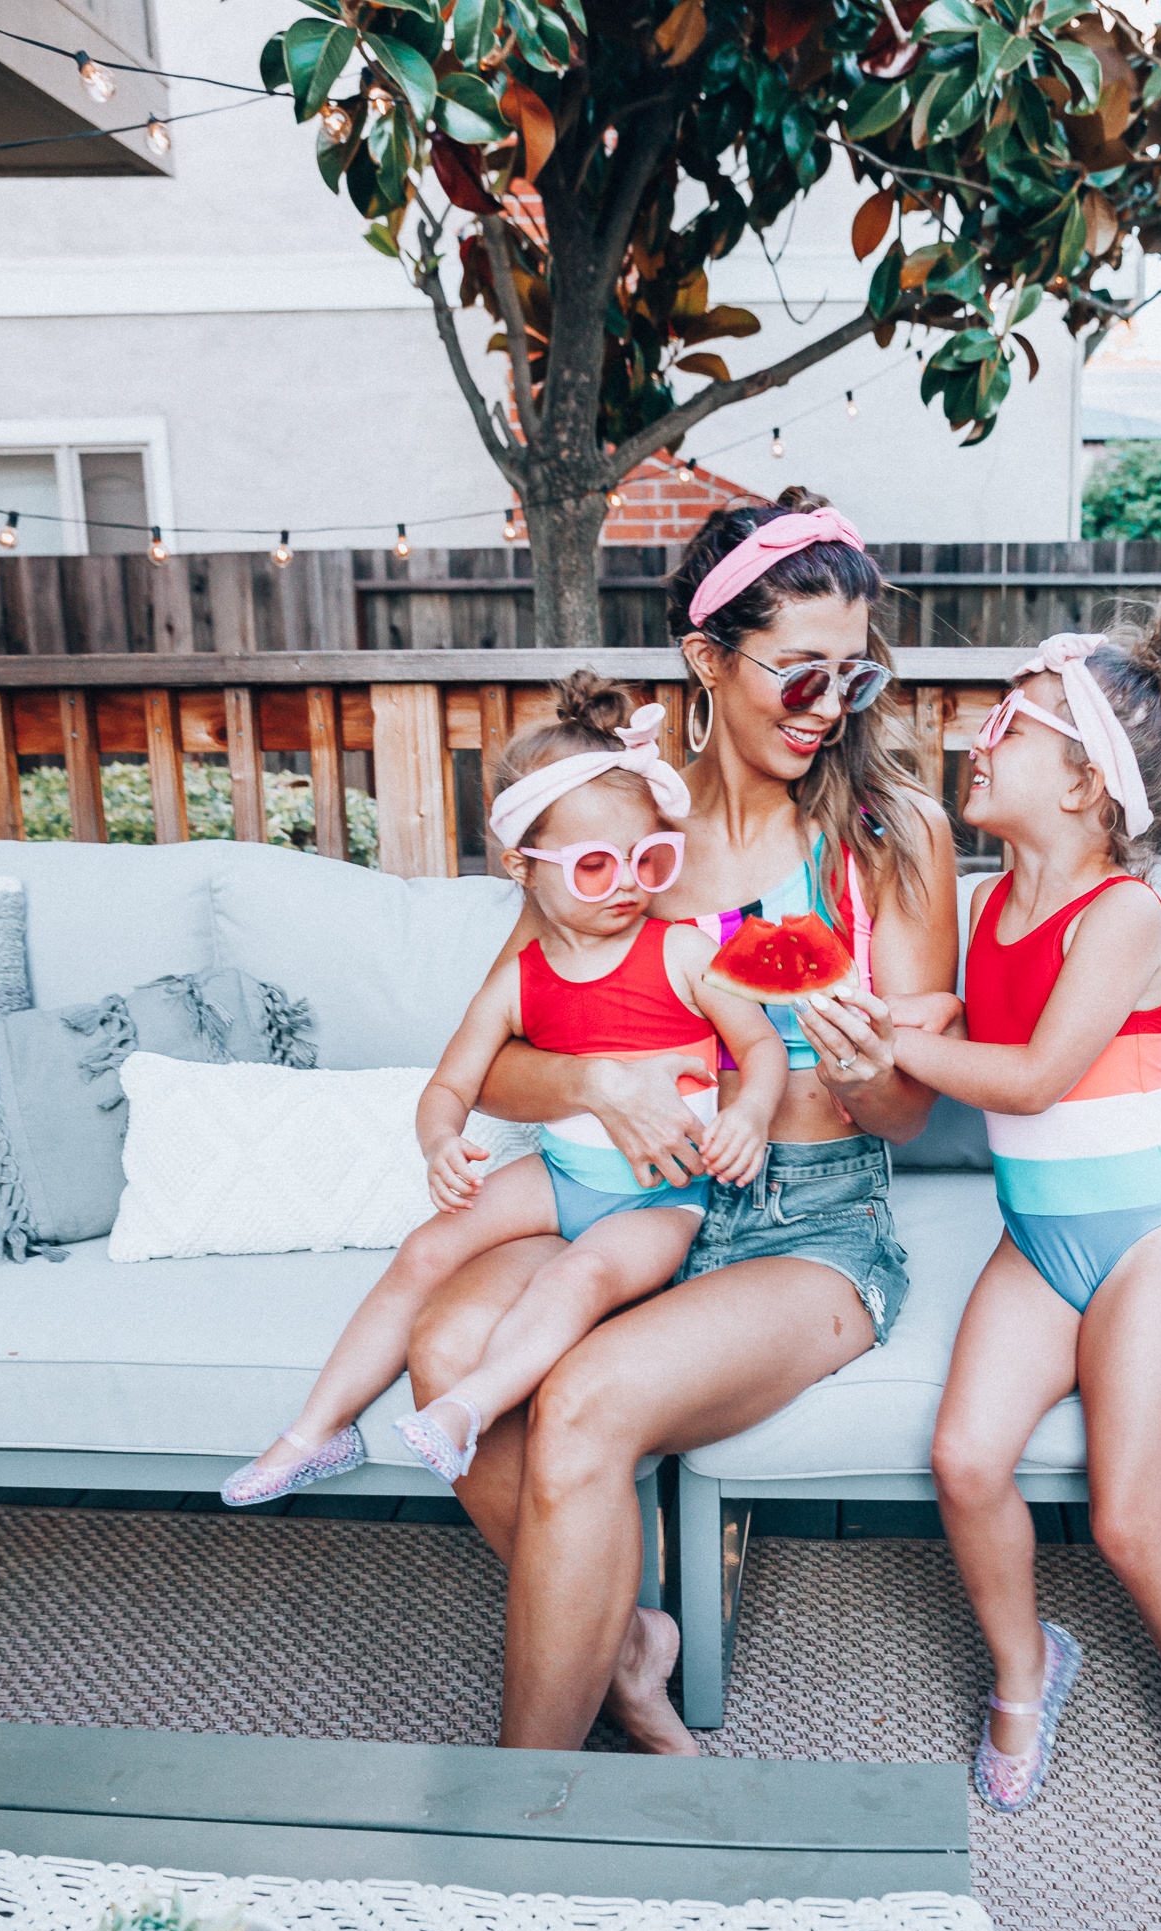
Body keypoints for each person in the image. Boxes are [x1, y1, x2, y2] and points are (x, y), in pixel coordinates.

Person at [402, 489, 959, 1754]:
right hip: (639, 1202)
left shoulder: (894, 837)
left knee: (587, 1397)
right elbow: (494, 1061)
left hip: (808, 1225)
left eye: (852, 679)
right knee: (445, 1345)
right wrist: (599, 1084)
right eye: (797, 674)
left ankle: (523, 1813)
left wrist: (866, 1064)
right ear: (708, 660)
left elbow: (912, 1111)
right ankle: (631, 1640)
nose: (825, 709)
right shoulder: (625, 822)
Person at [887, 600, 1161, 1859]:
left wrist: (905, 1042)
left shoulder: (1123, 917)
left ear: (1089, 783)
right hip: (1036, 1240)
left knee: (1122, 1516)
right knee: (965, 1460)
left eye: (1011, 719)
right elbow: (950, 1017)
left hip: (1143, 1248)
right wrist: (873, 1020)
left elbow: (1038, 1074)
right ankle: (1025, 1663)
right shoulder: (993, 900)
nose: (975, 735)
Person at [220, 674, 786, 1507]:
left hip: (664, 1199)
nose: (629, 883)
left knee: (577, 1279)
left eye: (648, 858)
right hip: (560, 1174)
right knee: (426, 1250)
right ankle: (315, 1431)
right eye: (594, 866)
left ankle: (463, 1407)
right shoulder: (517, 981)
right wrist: (439, 1142)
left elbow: (760, 1046)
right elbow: (452, 1084)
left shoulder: (682, 954)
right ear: (523, 867)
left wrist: (748, 1113)